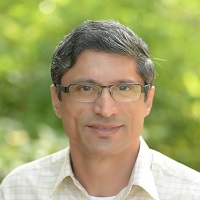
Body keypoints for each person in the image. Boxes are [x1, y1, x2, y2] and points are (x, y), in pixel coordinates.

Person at [0, 20, 200, 200]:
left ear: (148, 100)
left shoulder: (191, 192)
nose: (105, 110)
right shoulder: (17, 190)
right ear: (57, 101)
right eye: (85, 88)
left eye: (123, 88)